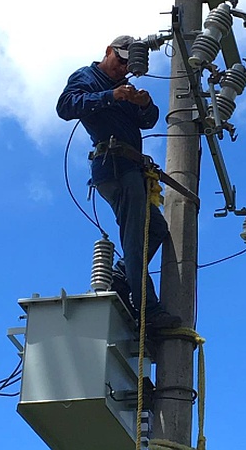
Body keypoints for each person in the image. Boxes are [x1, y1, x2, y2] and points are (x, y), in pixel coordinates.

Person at [56, 35, 181, 330]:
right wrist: (112, 96)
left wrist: (144, 103)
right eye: (120, 61)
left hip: (130, 168)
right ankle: (148, 311)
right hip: (114, 168)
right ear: (109, 51)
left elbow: (148, 121)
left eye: (128, 64)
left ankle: (121, 278)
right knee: (136, 240)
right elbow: (66, 106)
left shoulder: (123, 87)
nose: (123, 68)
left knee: (157, 230)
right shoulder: (87, 77)